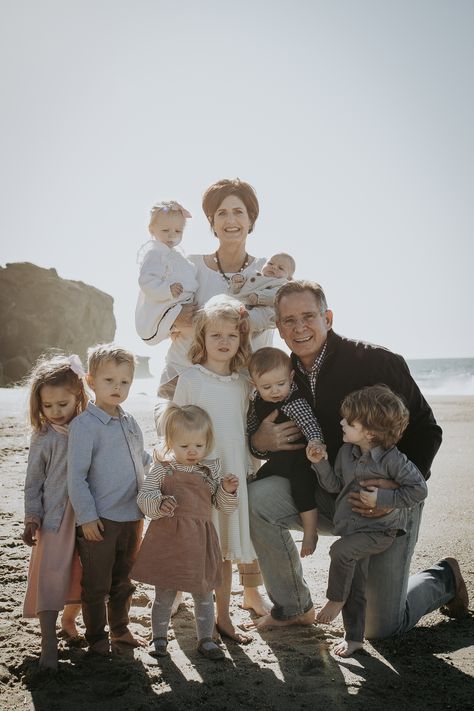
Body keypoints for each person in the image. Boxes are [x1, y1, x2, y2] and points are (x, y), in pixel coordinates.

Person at [248, 280, 469, 637]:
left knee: (379, 627)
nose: (299, 327)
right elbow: (261, 439)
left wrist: (391, 488)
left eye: (308, 316)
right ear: (278, 328)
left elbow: (428, 431)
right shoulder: (279, 376)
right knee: (256, 499)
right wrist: (259, 442)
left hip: (383, 503)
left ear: (328, 318)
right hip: (324, 493)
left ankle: (443, 578)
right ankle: (292, 609)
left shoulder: (375, 362)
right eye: (288, 320)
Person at [172, 297, 268, 643]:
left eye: (232, 335)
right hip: (199, 478)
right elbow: (175, 426)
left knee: (224, 551)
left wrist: (250, 469)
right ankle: (199, 617)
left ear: (241, 340)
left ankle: (223, 617)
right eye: (216, 335)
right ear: (203, 339)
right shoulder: (192, 378)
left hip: (233, 477)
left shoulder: (244, 383)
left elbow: (246, 432)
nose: (224, 341)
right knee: (200, 550)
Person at [307, 385, 428, 656]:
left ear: (370, 433)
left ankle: (335, 600)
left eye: (349, 422)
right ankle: (354, 638)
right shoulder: (345, 453)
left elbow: (418, 490)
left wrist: (382, 499)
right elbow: (334, 485)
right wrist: (320, 462)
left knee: (340, 551)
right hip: (352, 528)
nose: (341, 423)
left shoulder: (393, 461)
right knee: (356, 583)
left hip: (380, 531)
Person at [131, 403, 239, 660]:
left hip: (200, 541)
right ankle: (159, 638)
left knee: (203, 592)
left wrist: (227, 490)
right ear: (170, 442)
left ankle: (205, 639)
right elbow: (144, 498)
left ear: (207, 442)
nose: (192, 452)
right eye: (184, 446)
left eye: (198, 446)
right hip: (168, 539)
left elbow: (223, 507)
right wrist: (159, 504)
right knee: (165, 592)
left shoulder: (209, 471)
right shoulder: (163, 468)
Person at [68, 344, 152, 656]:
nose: (117, 388)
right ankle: (96, 636)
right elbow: (75, 476)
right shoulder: (84, 426)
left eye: (125, 382)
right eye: (109, 381)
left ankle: (120, 629)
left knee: (124, 580)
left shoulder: (129, 421)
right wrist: (87, 517)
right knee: (96, 584)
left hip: (133, 516)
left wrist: (161, 468)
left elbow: (140, 458)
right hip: (100, 521)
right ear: (91, 381)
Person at [158, 178, 275, 399]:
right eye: (221, 213)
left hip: (245, 391)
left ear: (251, 219)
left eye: (238, 212)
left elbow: (282, 315)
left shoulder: (269, 271)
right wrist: (173, 318)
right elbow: (153, 316)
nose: (230, 220)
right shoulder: (189, 266)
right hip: (184, 383)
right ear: (211, 221)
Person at [22, 353, 88, 670]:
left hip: (88, 514)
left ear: (79, 396)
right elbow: (33, 481)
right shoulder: (44, 436)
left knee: (82, 575)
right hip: (54, 519)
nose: (55, 412)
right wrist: (32, 517)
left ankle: (70, 623)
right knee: (50, 577)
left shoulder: (89, 426)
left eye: (63, 404)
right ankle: (49, 642)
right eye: (48, 406)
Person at [247, 347, 325, 557]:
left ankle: (310, 531)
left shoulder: (294, 401)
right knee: (257, 481)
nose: (275, 391)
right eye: (266, 386)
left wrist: (316, 442)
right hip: (280, 460)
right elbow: (253, 427)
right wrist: (254, 439)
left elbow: (310, 423)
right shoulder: (256, 401)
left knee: (302, 487)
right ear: (255, 385)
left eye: (281, 384)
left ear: (291, 377)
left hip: (301, 458)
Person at [135, 200, 197, 346]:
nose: (171, 236)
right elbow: (147, 281)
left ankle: (174, 327)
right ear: (152, 230)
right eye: (165, 231)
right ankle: (170, 323)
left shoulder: (176, 255)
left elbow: (187, 273)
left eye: (177, 231)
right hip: (165, 301)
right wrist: (167, 289)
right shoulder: (155, 253)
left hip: (181, 302)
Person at [230, 252, 296, 306]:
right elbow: (234, 291)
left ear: (289, 278)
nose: (274, 267)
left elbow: (276, 295)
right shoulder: (252, 274)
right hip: (238, 303)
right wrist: (237, 281)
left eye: (281, 268)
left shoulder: (281, 284)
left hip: (261, 310)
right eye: (270, 263)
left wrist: (260, 296)